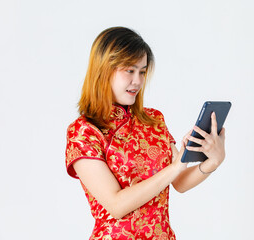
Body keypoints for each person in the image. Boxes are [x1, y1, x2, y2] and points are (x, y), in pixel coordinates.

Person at [65, 27, 226, 240]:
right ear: (103, 70)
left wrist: (212, 163)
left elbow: (179, 182)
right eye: (129, 71)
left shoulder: (153, 119)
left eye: (142, 71)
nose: (138, 81)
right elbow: (116, 204)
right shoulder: (84, 132)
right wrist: (175, 166)